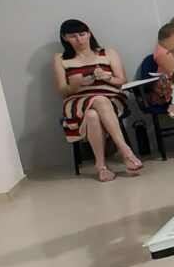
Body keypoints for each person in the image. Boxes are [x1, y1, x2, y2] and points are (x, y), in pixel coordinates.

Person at [53, 19, 142, 181]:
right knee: (95, 106)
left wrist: (107, 77)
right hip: (77, 101)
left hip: (111, 98)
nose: (79, 39)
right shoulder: (60, 58)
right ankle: (125, 151)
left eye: (82, 34)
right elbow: (62, 91)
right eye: (73, 36)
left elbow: (122, 81)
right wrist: (77, 83)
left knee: (96, 110)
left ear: (89, 33)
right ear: (65, 38)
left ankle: (102, 166)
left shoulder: (107, 53)